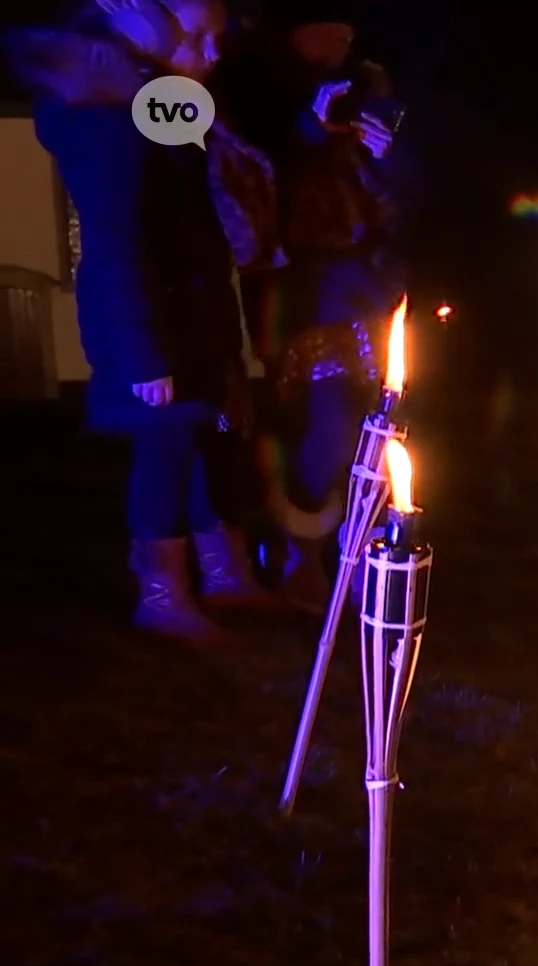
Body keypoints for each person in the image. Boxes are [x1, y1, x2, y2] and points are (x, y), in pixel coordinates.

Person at [10, 0, 277, 643]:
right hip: (153, 321)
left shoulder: (163, 102)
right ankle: (163, 594)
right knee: (166, 448)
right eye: (200, 36)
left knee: (213, 436)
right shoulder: (105, 114)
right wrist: (142, 354)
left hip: (194, 311)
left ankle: (227, 576)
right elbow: (115, 238)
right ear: (148, 26)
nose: (215, 52)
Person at [215, 2, 406, 611]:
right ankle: (299, 552)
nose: (340, 41)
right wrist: (306, 128)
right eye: (329, 28)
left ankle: (357, 549)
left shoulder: (369, 87)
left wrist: (387, 158)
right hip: (298, 282)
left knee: (373, 417)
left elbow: (398, 199)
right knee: (319, 415)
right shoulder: (252, 89)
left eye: (349, 31)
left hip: (366, 280)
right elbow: (250, 180)